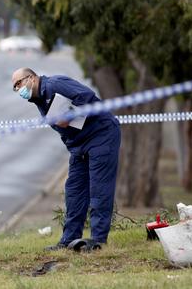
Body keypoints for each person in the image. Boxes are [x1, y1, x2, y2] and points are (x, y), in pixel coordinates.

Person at [11, 67, 121, 251]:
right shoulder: (38, 101)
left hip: (101, 135)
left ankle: (98, 241)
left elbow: (87, 96)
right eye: (15, 87)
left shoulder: (55, 84)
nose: (18, 89)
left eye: (18, 83)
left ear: (31, 78)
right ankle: (69, 240)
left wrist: (70, 114)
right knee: (74, 191)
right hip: (79, 145)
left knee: (99, 189)